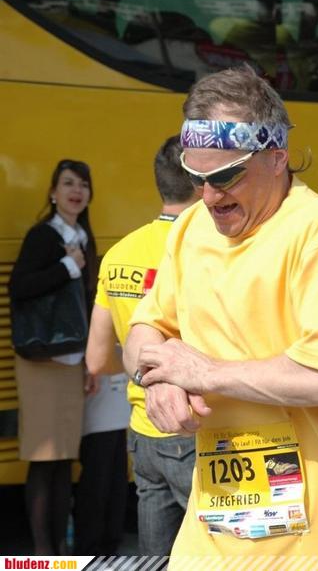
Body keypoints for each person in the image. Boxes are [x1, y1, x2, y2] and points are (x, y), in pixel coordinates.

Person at [123, 64, 318, 564]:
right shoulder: (190, 229)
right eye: (196, 177)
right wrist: (156, 378)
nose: (209, 195)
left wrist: (205, 373)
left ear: (277, 158)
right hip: (217, 532)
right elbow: (146, 328)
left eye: (225, 176)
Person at [86, 135, 200, 556]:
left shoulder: (119, 253)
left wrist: (141, 368)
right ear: (199, 181)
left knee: (156, 557)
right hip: (192, 428)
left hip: (142, 432)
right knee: (215, 552)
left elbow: (97, 358)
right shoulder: (201, 248)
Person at [9, 159, 97, 555]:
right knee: (44, 460)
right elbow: (19, 288)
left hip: (71, 362)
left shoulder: (83, 236)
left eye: (83, 185)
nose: (76, 191)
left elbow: (87, 305)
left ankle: (61, 550)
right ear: (53, 193)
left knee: (64, 460)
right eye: (68, 183)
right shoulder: (43, 236)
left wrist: (91, 362)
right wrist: (66, 267)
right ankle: (44, 554)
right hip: (41, 363)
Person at [74, 367, 131, 556]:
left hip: (119, 408)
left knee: (116, 482)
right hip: (97, 412)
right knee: (97, 484)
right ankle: (90, 548)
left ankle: (109, 544)